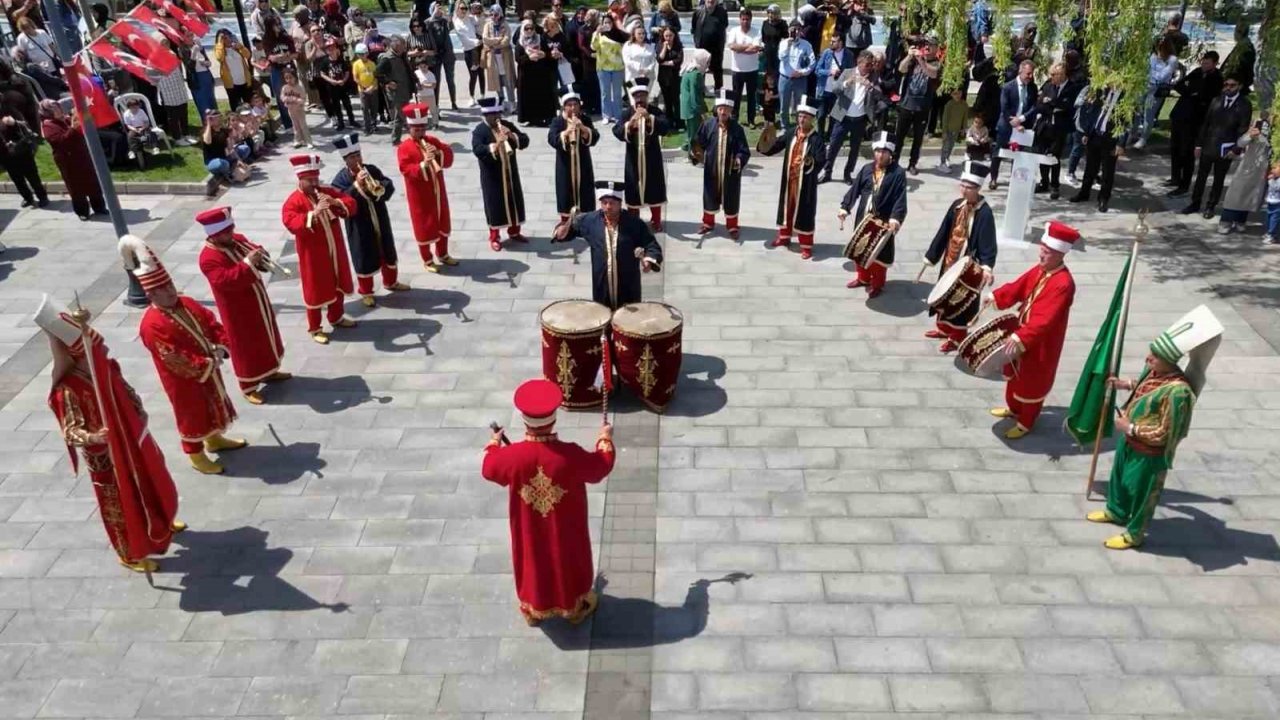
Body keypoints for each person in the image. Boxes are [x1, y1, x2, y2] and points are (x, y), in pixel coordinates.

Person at [35, 294, 183, 573]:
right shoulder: (67, 389)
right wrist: (95, 438)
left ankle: (160, 523)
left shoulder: (106, 370)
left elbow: (127, 392)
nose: (102, 356)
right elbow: (71, 432)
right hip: (106, 458)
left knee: (151, 480)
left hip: (130, 441)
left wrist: (138, 412)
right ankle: (129, 553)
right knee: (120, 506)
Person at [481, 378, 614, 626]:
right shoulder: (570, 455)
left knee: (532, 558)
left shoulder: (513, 457)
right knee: (566, 557)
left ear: (524, 419)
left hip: (528, 525)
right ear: (553, 419)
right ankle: (574, 609)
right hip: (565, 524)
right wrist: (604, 438)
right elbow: (601, 465)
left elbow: (489, 467)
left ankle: (532, 609)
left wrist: (494, 442)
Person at [1088, 306, 1221, 549]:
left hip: (1149, 454)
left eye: (1153, 358)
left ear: (1169, 363)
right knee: (1118, 480)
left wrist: (1130, 428)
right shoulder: (1152, 371)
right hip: (1128, 442)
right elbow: (1141, 385)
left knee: (1142, 494)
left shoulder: (1178, 392)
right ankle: (1116, 511)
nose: (1147, 360)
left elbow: (1166, 432)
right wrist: (1122, 384)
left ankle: (1134, 534)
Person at [124, 236, 246, 475]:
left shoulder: (187, 302)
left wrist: (221, 346)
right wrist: (207, 364)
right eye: (162, 291)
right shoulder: (152, 324)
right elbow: (172, 357)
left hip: (209, 368)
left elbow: (211, 323)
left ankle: (214, 439)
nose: (170, 293)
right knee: (192, 414)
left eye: (169, 286)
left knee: (214, 404)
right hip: (184, 381)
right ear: (151, 296)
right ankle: (195, 454)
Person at [985, 221, 1079, 439]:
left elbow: (1045, 320)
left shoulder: (1063, 284)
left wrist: (1021, 336)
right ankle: (1014, 409)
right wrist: (997, 296)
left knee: (1032, 381)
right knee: (1014, 374)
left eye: (1046, 252)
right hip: (1022, 334)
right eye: (1042, 250)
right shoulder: (1041, 270)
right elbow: (1019, 286)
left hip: (1040, 343)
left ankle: (1026, 421)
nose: (1041, 255)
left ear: (1058, 254)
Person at [195, 207, 290, 405]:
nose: (232, 234)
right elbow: (225, 281)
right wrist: (248, 263)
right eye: (226, 232)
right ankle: (248, 386)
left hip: (257, 300)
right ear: (214, 235)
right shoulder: (208, 258)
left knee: (265, 335)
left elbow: (253, 251)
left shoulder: (235, 239)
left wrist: (261, 254)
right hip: (237, 310)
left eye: (231, 229)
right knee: (245, 346)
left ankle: (269, 371)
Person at [280, 153, 359, 344]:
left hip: (335, 248)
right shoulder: (293, 201)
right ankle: (315, 327)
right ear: (301, 179)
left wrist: (335, 202)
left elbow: (351, 204)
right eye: (310, 180)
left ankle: (337, 317)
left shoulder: (326, 191)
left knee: (337, 281)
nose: (315, 183)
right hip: (313, 254)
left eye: (316, 178)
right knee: (316, 288)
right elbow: (291, 223)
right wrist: (313, 214)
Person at [922, 160, 997, 352]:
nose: (963, 190)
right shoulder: (957, 205)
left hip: (968, 268)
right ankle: (943, 329)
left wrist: (987, 267)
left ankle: (957, 337)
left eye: (969, 187)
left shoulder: (985, 213)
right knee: (943, 296)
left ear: (978, 188)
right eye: (962, 185)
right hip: (950, 259)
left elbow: (988, 244)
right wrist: (932, 255)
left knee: (960, 303)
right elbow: (943, 232)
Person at [552, 181, 663, 309]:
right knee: (602, 316)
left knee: (627, 323)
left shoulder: (634, 224)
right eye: (605, 203)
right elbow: (570, 230)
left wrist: (648, 260)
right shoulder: (590, 221)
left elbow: (651, 244)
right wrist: (561, 232)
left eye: (612, 203)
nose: (608, 207)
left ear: (620, 204)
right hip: (601, 285)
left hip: (628, 286)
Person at [329, 133, 410, 307]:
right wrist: (357, 186)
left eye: (358, 155)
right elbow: (340, 200)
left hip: (379, 217)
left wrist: (381, 186)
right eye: (352, 157)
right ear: (345, 160)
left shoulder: (371, 169)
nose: (357, 159)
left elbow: (387, 184)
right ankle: (366, 291)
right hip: (359, 224)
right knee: (364, 254)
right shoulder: (340, 179)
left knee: (386, 248)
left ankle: (391, 282)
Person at [839, 132, 907, 296]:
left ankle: (877, 284)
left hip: (883, 221)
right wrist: (845, 207)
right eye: (878, 151)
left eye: (884, 151)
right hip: (864, 219)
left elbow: (900, 198)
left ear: (890, 153)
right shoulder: (866, 169)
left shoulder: (897, 173)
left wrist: (895, 219)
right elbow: (855, 190)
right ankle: (862, 278)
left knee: (879, 255)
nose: (880, 154)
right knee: (860, 250)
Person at [1180, 75, 1252, 219]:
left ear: (1239, 86)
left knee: (1219, 178)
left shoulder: (1244, 104)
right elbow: (1206, 124)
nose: (1228, 88)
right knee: (1201, 176)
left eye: (1232, 85)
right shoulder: (1216, 101)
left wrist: (1236, 149)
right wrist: (1199, 144)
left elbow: (1242, 129)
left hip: (1227, 148)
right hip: (1209, 145)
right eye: (1226, 85)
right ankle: (1195, 203)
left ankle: (1210, 206)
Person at [762, 95, 824, 260]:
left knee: (804, 213)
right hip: (789, 180)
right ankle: (784, 237)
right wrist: (765, 145)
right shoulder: (791, 133)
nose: (802, 120)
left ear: (811, 119)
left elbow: (821, 160)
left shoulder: (816, 139)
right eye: (800, 116)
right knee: (786, 209)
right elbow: (776, 145)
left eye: (805, 117)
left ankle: (806, 245)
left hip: (805, 184)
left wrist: (811, 162)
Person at [397, 103, 456, 269]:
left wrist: (438, 153)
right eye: (417, 130)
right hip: (420, 195)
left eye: (423, 129)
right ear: (409, 128)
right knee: (424, 225)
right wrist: (424, 164)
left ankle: (443, 254)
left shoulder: (432, 141)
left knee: (442, 221)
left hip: (438, 190)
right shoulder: (404, 148)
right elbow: (406, 169)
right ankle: (427, 259)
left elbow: (448, 156)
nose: (421, 133)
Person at [472, 93, 531, 251]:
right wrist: (495, 146)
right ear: (485, 115)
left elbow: (525, 140)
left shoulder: (506, 125)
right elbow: (477, 149)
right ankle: (494, 237)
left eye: (497, 114)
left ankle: (514, 232)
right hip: (492, 176)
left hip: (510, 173)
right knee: (495, 205)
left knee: (514, 202)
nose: (496, 118)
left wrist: (511, 135)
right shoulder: (480, 131)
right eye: (492, 115)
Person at [612, 79, 669, 231]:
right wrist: (630, 124)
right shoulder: (627, 113)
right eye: (637, 96)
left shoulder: (655, 111)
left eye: (643, 96)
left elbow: (665, 128)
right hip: (633, 159)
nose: (640, 99)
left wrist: (649, 118)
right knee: (633, 190)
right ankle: (633, 221)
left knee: (654, 188)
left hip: (652, 158)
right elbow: (617, 131)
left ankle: (656, 220)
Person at [1166, 51, 1222, 196]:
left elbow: (1207, 96)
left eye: (1207, 63)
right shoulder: (1197, 72)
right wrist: (1190, 92)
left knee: (1187, 152)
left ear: (1215, 64)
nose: (1204, 65)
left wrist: (1195, 93)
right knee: (1175, 148)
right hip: (1181, 113)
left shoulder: (1216, 78)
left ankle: (1184, 184)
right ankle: (1175, 177)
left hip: (1195, 120)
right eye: (1203, 62)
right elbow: (1179, 85)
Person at [696, 90, 750, 239]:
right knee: (709, 195)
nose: (723, 111)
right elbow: (698, 144)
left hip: (730, 171)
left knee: (731, 196)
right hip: (712, 169)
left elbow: (744, 150)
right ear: (716, 110)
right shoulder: (707, 125)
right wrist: (696, 154)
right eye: (720, 108)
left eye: (726, 109)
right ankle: (708, 223)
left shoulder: (737, 129)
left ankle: (732, 225)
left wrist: (739, 160)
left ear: (731, 110)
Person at [818, 50, 879, 184]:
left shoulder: (873, 76)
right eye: (867, 65)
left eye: (871, 65)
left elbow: (879, 94)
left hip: (859, 120)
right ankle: (827, 172)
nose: (869, 67)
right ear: (859, 62)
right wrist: (847, 83)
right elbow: (835, 89)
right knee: (833, 146)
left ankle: (847, 174)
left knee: (855, 148)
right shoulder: (847, 72)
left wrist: (871, 87)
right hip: (843, 118)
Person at [39, 100, 105, 221]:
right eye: (54, 108)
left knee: (92, 182)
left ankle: (99, 207)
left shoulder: (66, 119)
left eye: (58, 106)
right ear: (47, 112)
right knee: (76, 187)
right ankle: (82, 211)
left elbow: (82, 127)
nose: (58, 109)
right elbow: (60, 141)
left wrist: (81, 114)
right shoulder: (48, 125)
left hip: (82, 155)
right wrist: (73, 128)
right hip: (68, 161)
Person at [548, 89, 599, 224]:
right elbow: (552, 139)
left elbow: (595, 137)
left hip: (583, 163)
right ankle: (566, 222)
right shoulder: (558, 121)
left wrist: (583, 129)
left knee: (585, 191)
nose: (573, 108)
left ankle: (586, 221)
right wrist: (565, 133)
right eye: (569, 105)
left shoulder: (585, 119)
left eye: (575, 105)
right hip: (565, 165)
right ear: (564, 107)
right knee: (565, 192)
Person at [1218, 117, 1272, 235]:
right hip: (1248, 167)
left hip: (1262, 171)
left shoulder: (1275, 133)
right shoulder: (1257, 127)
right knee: (1236, 195)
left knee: (1251, 196)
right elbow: (1241, 143)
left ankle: (1240, 220)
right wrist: (1250, 134)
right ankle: (1226, 221)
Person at [1032, 62, 1078, 199]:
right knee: (1042, 156)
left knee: (1054, 157)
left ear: (1062, 75)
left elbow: (1067, 106)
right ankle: (1044, 182)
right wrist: (1052, 104)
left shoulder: (1071, 88)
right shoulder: (1048, 85)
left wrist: (1051, 102)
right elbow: (1039, 104)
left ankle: (1055, 185)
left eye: (1054, 74)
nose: (1051, 77)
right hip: (1044, 126)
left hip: (1059, 129)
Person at [990, 59, 1037, 188]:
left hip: (1022, 126)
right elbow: (1004, 108)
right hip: (1006, 125)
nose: (1030, 77)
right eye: (1028, 73)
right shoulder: (1008, 87)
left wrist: (1021, 120)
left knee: (1017, 154)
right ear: (1020, 71)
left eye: (1032, 73)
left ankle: (1015, 179)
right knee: (998, 152)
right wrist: (1014, 123)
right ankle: (993, 178)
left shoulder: (1033, 87)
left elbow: (1034, 107)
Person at [1131, 39, 1178, 151]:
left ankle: (1143, 138)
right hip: (1145, 85)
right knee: (1137, 110)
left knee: (1149, 113)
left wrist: (1152, 74)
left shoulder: (1172, 60)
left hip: (1157, 90)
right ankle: (1133, 132)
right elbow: (1146, 70)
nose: (1158, 52)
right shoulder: (1153, 56)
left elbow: (1163, 76)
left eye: (1160, 49)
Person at [0, 112, 47, 209]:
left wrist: (14, 123)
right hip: (7, 158)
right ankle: (28, 198)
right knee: (18, 180)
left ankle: (42, 197)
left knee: (33, 177)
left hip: (22, 153)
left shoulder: (7, 113)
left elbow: (22, 126)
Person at [515, 20, 558, 127]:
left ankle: (544, 117)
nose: (529, 31)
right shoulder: (520, 42)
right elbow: (518, 58)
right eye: (526, 28)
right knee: (529, 97)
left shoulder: (540, 39)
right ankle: (531, 119)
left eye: (531, 28)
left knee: (542, 95)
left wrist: (544, 54)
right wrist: (528, 58)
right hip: (526, 75)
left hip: (541, 74)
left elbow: (548, 53)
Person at [725, 9, 762, 128]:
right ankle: (734, 118)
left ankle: (751, 120)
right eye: (743, 19)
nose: (745, 21)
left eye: (747, 19)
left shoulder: (756, 32)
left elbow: (755, 49)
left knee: (751, 97)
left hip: (752, 69)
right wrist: (747, 47)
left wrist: (739, 49)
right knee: (736, 96)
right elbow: (731, 46)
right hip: (737, 70)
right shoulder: (734, 31)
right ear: (740, 19)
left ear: (751, 20)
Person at [377, 36, 417, 144]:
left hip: (405, 90)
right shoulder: (387, 58)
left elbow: (409, 70)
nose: (404, 48)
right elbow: (377, 73)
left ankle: (395, 139)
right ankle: (417, 138)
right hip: (396, 93)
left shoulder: (402, 56)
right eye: (402, 45)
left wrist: (415, 81)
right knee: (406, 116)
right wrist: (388, 82)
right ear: (395, 45)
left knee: (399, 117)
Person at [777, 20, 815, 132]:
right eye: (793, 29)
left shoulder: (806, 45)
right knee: (784, 106)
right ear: (789, 30)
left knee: (800, 106)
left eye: (798, 29)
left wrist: (802, 72)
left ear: (801, 31)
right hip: (785, 78)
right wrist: (788, 45)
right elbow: (781, 57)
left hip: (800, 79)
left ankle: (799, 126)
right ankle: (784, 127)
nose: (796, 32)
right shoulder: (783, 43)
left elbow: (812, 63)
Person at [813, 32, 853, 138]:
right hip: (824, 90)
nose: (831, 43)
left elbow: (852, 72)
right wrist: (830, 72)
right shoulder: (826, 53)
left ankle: (831, 135)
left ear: (841, 42)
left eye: (834, 41)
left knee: (835, 116)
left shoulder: (848, 55)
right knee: (821, 115)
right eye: (831, 41)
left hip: (839, 91)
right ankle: (820, 136)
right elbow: (817, 70)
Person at [591, 12, 625, 124]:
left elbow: (627, 43)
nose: (607, 24)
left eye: (609, 22)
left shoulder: (618, 34)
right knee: (605, 93)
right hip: (603, 67)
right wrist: (597, 33)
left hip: (617, 67)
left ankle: (618, 115)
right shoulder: (598, 34)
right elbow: (593, 47)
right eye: (605, 22)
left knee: (617, 93)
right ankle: (606, 115)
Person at [482, 5, 517, 110]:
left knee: (508, 81)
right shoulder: (488, 25)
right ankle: (501, 101)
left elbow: (506, 40)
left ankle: (511, 102)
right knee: (497, 81)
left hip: (504, 57)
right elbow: (485, 39)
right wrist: (498, 40)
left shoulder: (505, 25)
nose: (493, 16)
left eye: (496, 14)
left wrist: (493, 44)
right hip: (493, 58)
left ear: (500, 14)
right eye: (491, 14)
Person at [679, 49, 711, 157]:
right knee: (694, 134)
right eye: (707, 61)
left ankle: (686, 147)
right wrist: (702, 112)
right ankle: (691, 155)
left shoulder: (688, 70)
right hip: (692, 109)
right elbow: (695, 96)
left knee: (690, 131)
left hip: (686, 107)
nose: (708, 64)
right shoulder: (696, 74)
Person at [425, 2, 457, 110]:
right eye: (436, 8)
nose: (438, 10)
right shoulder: (429, 21)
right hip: (435, 54)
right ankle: (436, 104)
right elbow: (427, 26)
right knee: (436, 80)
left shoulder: (444, 21)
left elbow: (451, 27)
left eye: (439, 8)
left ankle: (454, 102)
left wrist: (446, 16)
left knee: (450, 79)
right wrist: (434, 14)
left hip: (447, 54)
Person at [214, 29, 256, 110]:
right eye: (224, 38)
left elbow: (248, 55)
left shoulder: (237, 47)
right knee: (235, 106)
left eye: (229, 36)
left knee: (249, 103)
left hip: (244, 80)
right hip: (232, 84)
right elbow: (219, 58)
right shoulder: (219, 49)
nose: (228, 39)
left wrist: (240, 46)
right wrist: (220, 43)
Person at [692, 0, 728, 92]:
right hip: (702, 47)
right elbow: (694, 28)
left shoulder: (722, 12)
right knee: (700, 70)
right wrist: (696, 42)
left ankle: (718, 91)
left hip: (717, 47)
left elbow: (725, 25)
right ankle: (700, 91)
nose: (711, 1)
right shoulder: (698, 11)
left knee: (717, 70)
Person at [455, 1, 485, 102]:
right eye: (461, 8)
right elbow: (465, 39)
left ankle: (482, 95)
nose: (464, 10)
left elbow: (479, 22)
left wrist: (480, 13)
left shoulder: (469, 18)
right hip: (469, 50)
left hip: (479, 48)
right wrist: (478, 41)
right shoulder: (457, 23)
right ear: (457, 10)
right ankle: (471, 97)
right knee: (473, 74)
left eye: (465, 8)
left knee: (481, 72)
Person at [278, 67, 313, 148]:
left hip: (299, 110)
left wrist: (296, 100)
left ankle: (308, 141)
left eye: (290, 77)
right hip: (290, 109)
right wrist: (285, 99)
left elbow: (303, 98)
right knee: (295, 125)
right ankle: (298, 140)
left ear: (295, 77)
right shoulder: (285, 88)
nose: (288, 80)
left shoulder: (299, 87)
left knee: (303, 125)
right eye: (286, 78)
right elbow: (282, 96)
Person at [655, 26, 683, 124]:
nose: (668, 38)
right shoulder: (660, 45)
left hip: (674, 77)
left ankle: (679, 121)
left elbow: (679, 60)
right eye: (666, 36)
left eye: (670, 36)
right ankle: (669, 121)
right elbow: (659, 59)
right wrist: (664, 48)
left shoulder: (678, 46)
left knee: (676, 100)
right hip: (663, 78)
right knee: (667, 101)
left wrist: (668, 63)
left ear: (674, 35)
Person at [937, 87, 968, 171]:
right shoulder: (949, 105)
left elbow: (965, 117)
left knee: (951, 146)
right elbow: (945, 119)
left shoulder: (964, 104)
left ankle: (947, 159)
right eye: (955, 94)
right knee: (946, 146)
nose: (957, 95)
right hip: (948, 130)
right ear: (951, 95)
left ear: (962, 93)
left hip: (956, 130)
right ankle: (942, 163)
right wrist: (944, 132)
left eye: (959, 93)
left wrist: (964, 128)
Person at [1220, 21, 1255, 94]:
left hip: (1236, 87)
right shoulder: (1241, 47)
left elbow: (1244, 70)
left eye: (1236, 31)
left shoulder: (1245, 49)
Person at [621, 24, 655, 91]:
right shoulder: (628, 45)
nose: (641, 35)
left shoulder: (649, 46)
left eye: (643, 33)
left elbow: (653, 60)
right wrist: (640, 69)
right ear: (634, 34)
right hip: (632, 77)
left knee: (645, 98)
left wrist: (647, 70)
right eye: (639, 34)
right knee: (634, 99)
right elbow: (627, 61)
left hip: (648, 78)